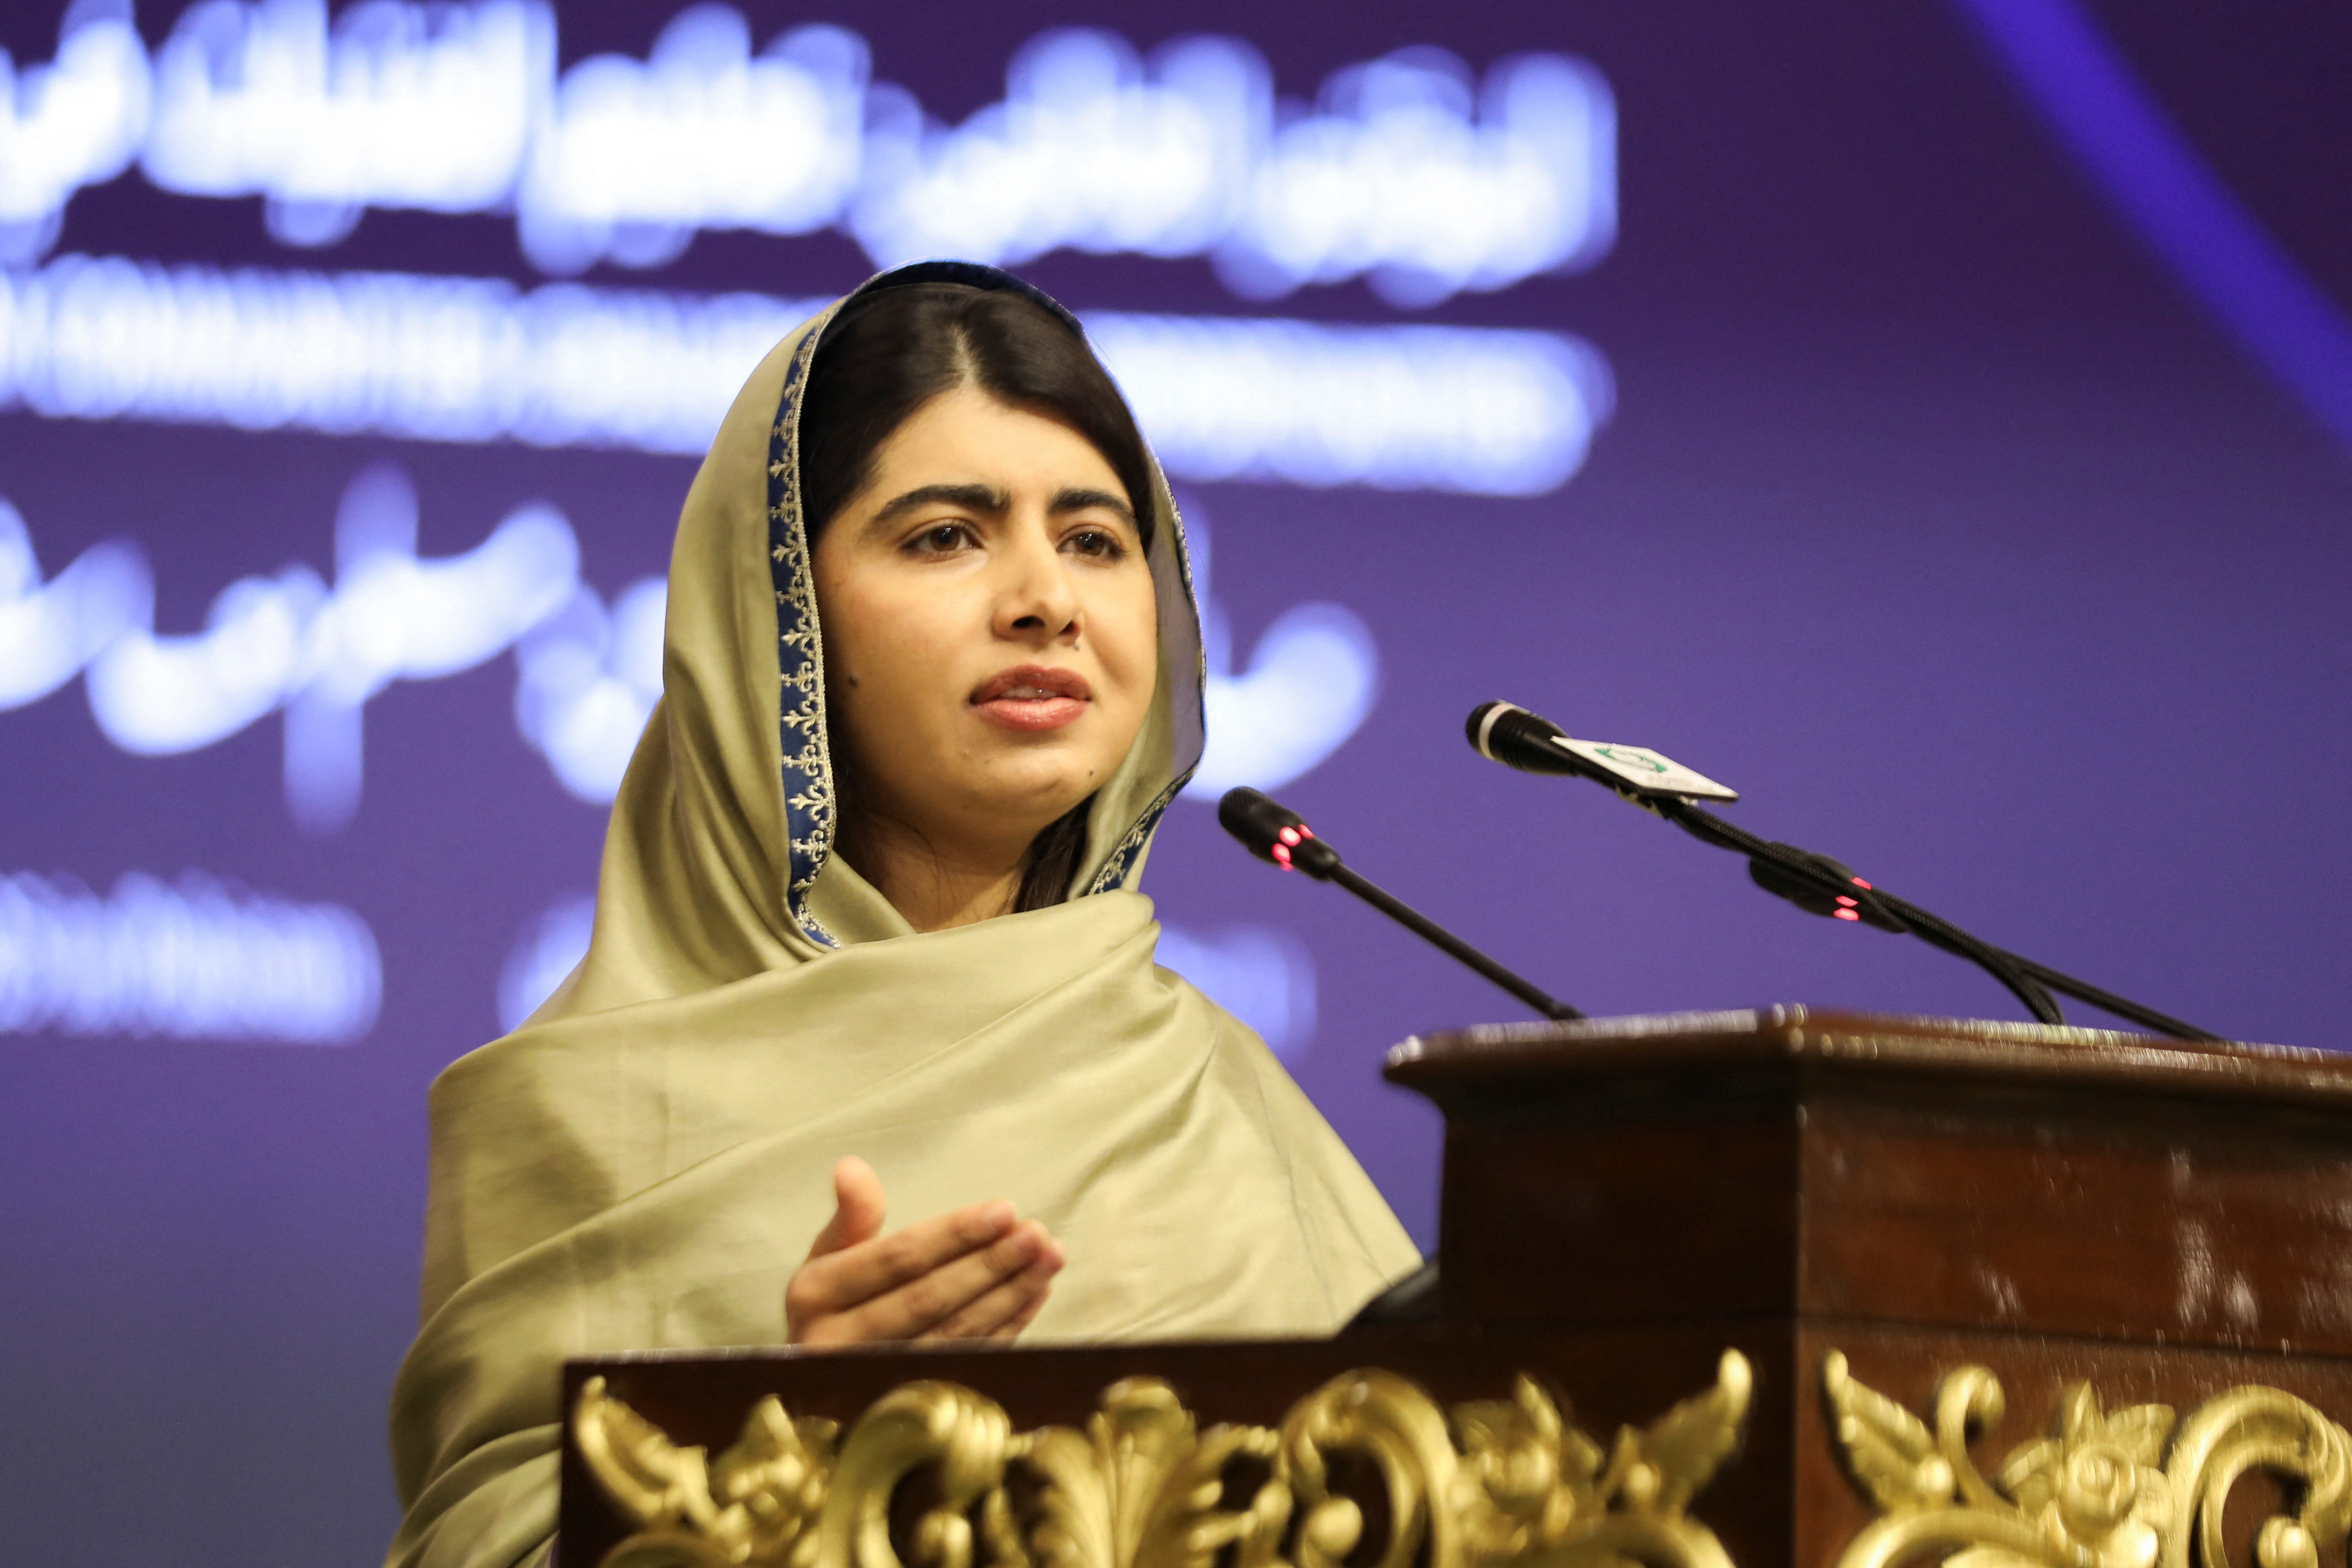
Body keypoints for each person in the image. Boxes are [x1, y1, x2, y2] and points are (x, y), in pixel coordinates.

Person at [383, 262, 1420, 1568]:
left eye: (1097, 541)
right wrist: (802, 1466)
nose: (1046, 599)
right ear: (780, 616)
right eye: (946, 537)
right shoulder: (581, 1114)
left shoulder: (1215, 1092)